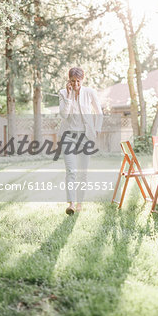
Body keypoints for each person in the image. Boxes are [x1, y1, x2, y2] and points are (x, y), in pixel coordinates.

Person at [58, 67, 103, 215]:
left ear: (82, 80)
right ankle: (71, 204)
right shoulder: (63, 93)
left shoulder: (90, 92)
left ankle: (79, 203)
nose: (76, 83)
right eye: (73, 81)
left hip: (85, 136)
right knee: (71, 170)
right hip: (68, 136)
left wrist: (96, 129)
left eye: (78, 81)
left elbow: (99, 112)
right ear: (69, 80)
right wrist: (70, 96)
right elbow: (64, 115)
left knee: (83, 172)